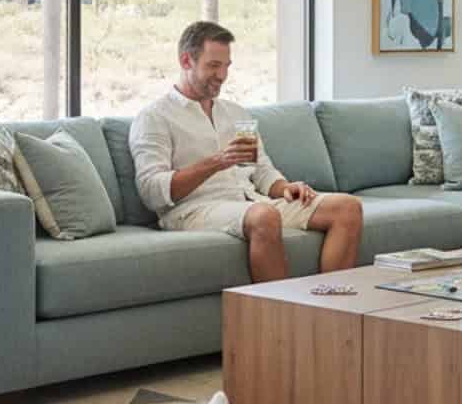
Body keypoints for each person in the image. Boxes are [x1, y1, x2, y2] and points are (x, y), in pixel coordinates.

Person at [129, 20, 363, 283]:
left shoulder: (235, 113)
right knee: (264, 217)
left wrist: (285, 187)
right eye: (213, 65)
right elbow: (151, 191)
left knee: (347, 207)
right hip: (194, 209)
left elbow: (262, 170)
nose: (222, 75)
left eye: (226, 66)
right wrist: (216, 162)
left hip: (250, 201)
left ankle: (331, 310)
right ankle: (280, 320)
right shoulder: (154, 117)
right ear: (186, 61)